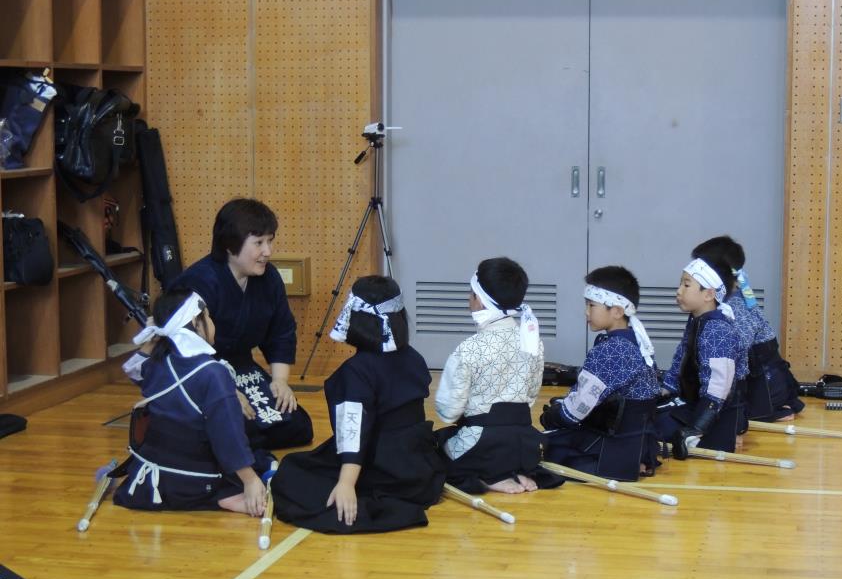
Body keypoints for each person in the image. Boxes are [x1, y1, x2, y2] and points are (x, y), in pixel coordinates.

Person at [271, 276, 445, 534]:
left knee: (291, 474)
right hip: (418, 465)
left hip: (383, 465)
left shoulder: (357, 371)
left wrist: (346, 484)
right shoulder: (414, 357)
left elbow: (354, 432)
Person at [112, 289, 271, 515]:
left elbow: (134, 370)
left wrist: (154, 338)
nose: (212, 322)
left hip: (153, 475)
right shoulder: (213, 373)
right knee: (261, 460)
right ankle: (223, 495)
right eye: (207, 317)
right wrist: (250, 480)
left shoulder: (157, 363)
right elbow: (227, 435)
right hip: (196, 481)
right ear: (196, 324)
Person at [172, 198, 313, 450]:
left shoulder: (269, 278)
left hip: (241, 366)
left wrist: (280, 381)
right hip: (201, 373)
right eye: (259, 243)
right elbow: (183, 350)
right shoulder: (199, 281)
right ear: (230, 244)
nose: (267, 251)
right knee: (234, 424)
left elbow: (281, 331)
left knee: (297, 425)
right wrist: (222, 391)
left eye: (270, 241)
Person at [435, 257, 563, 494]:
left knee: (435, 450)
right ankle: (513, 469)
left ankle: (488, 476)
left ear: (480, 300)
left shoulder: (469, 349)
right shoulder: (532, 342)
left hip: (482, 443)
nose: (469, 299)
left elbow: (448, 411)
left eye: (471, 294)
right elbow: (530, 396)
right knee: (502, 437)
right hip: (524, 442)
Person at [540, 265, 661, 480]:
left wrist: (552, 416)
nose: (586, 312)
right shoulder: (637, 341)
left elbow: (576, 410)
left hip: (614, 446)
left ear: (617, 311)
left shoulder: (611, 350)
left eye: (591, 305)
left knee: (549, 447)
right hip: (640, 441)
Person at [691, 235, 803, 422]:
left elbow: (735, 356)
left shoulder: (735, 306)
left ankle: (770, 410)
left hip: (766, 387)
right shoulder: (718, 302)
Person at [657, 257, 742, 456]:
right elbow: (680, 361)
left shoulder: (718, 331)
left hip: (710, 419)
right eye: (680, 284)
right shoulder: (697, 320)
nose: (679, 291)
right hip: (690, 404)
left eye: (686, 285)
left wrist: (695, 430)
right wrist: (662, 390)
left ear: (709, 294)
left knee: (646, 428)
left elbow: (718, 389)